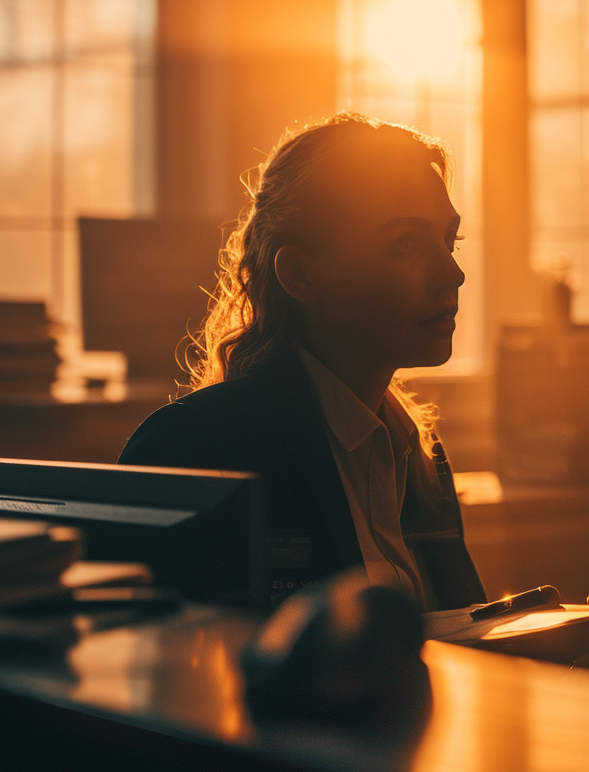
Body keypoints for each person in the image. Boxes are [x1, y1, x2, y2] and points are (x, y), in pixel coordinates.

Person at [120, 112, 485, 612]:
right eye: (405, 244)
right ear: (299, 273)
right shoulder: (194, 445)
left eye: (449, 241)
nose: (453, 274)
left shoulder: (417, 453)